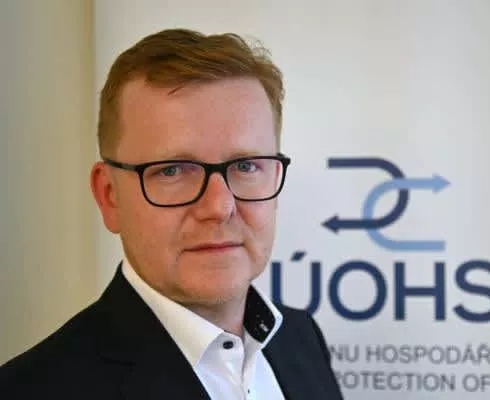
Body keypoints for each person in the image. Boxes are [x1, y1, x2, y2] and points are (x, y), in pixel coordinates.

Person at [0, 28, 343, 400]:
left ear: (275, 179)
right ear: (109, 196)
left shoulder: (300, 338)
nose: (219, 207)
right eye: (173, 170)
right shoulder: (31, 389)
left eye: (245, 166)